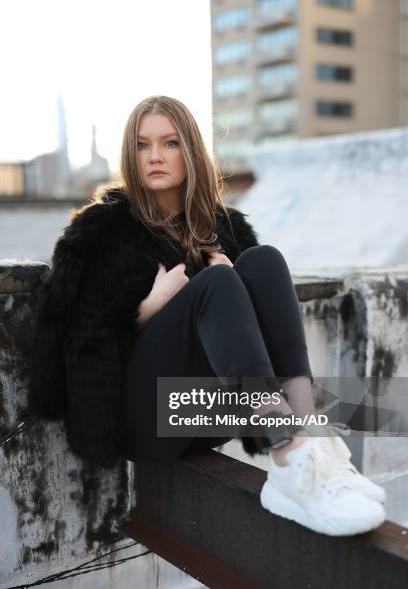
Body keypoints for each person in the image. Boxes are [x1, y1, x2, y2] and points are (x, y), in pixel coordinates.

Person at [28, 95, 386, 537]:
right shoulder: (98, 233)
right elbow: (54, 368)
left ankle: (307, 443)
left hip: (206, 414)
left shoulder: (226, 230)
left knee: (263, 261)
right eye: (142, 145)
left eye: (170, 143)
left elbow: (252, 337)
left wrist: (237, 289)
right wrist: (146, 310)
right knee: (215, 284)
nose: (155, 156)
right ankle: (290, 453)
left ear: (191, 150)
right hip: (141, 420)